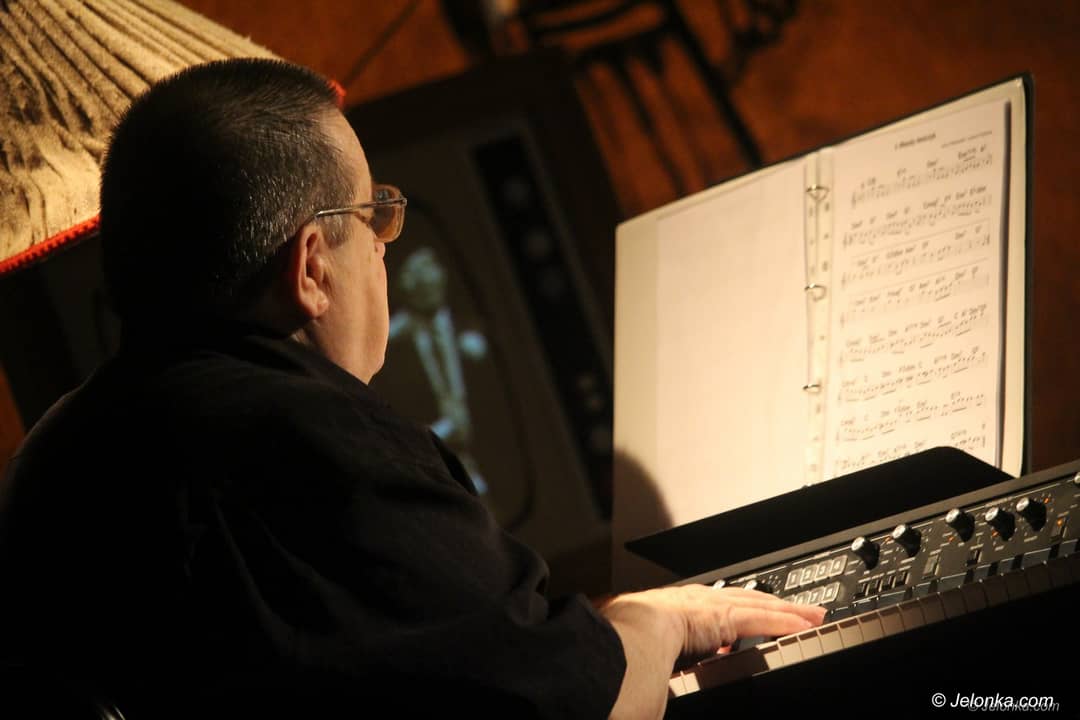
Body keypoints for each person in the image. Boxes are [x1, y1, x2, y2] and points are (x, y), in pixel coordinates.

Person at [0, 59, 824, 719]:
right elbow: (588, 705)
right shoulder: (314, 443)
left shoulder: (53, 454)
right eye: (374, 218)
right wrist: (664, 619)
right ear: (312, 267)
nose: (385, 247)